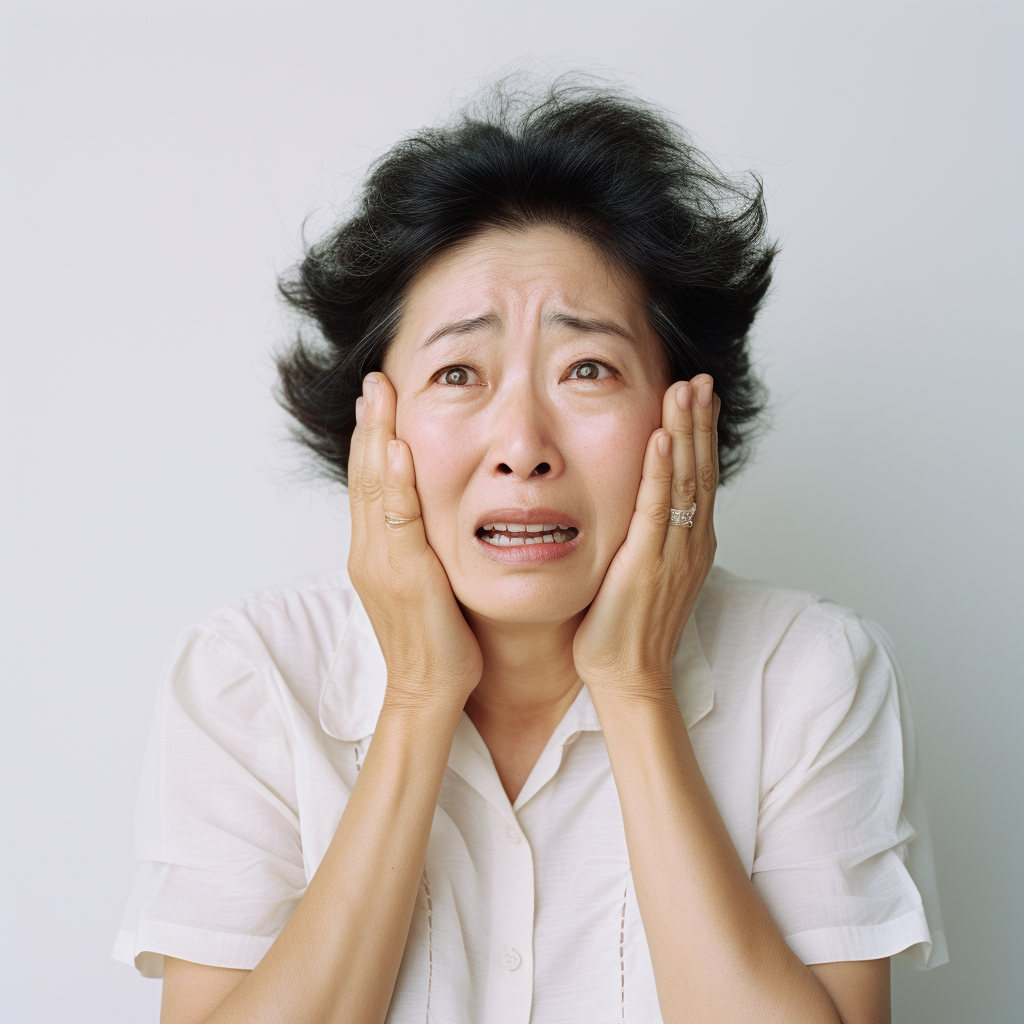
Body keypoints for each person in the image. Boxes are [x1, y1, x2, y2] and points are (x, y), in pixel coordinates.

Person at [113, 78, 946, 1023]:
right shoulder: (250, 678)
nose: (523, 444)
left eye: (586, 368)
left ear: (688, 411)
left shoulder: (810, 674)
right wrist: (421, 700)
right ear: (374, 426)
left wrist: (636, 690)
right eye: (458, 371)